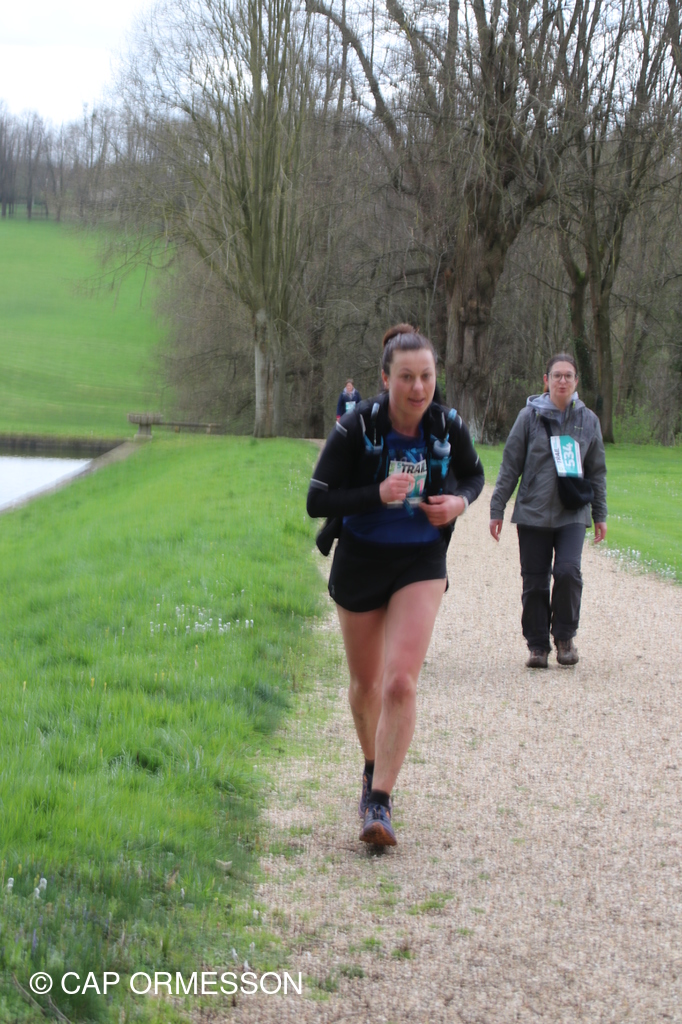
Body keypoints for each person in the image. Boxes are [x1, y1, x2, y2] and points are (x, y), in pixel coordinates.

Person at [307, 324, 484, 846]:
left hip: (419, 559)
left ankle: (380, 802)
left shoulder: (447, 425)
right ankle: (371, 767)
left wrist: (458, 503)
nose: (418, 387)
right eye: (406, 377)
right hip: (361, 558)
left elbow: (474, 475)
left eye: (426, 376)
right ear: (385, 379)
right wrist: (376, 493)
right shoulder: (357, 426)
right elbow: (317, 500)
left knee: (400, 682)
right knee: (365, 687)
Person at [489, 353, 607, 668]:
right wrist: (497, 507)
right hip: (533, 512)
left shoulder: (589, 421)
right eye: (557, 375)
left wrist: (600, 515)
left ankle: (565, 638)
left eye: (568, 375)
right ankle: (537, 645)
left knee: (568, 572)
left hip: (572, 512)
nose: (562, 381)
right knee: (535, 582)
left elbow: (597, 472)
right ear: (546, 380)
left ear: (576, 381)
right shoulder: (528, 417)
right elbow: (510, 464)